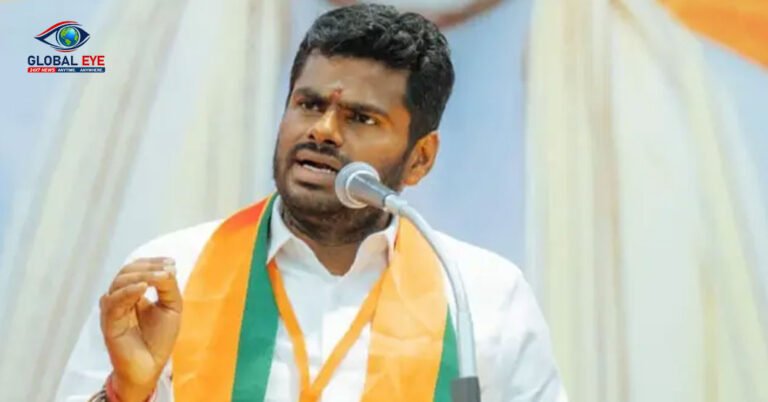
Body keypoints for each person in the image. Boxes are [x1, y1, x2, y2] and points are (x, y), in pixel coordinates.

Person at [57, 4, 566, 402]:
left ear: (420, 159)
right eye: (309, 104)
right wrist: (129, 391)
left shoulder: (481, 296)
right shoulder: (173, 277)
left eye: (361, 118)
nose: (322, 131)